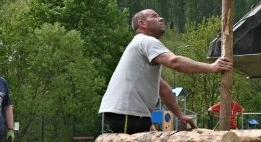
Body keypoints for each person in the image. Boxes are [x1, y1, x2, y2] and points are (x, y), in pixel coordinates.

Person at [99, 9, 232, 134]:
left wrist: (180, 115)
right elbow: (174, 62)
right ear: (142, 23)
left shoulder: (141, 46)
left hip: (127, 113)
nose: (161, 18)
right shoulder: (146, 41)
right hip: (127, 112)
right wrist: (212, 67)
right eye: (154, 16)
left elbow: (163, 88)